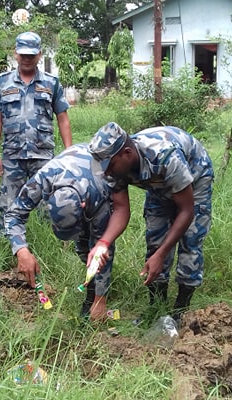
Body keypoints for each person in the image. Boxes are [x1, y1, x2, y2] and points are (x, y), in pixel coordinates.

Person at [88, 122, 213, 322]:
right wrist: (103, 243)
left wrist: (162, 255)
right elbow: (121, 210)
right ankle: (156, 308)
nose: (107, 173)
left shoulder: (165, 155)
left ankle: (181, 310)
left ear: (127, 153)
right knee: (155, 239)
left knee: (190, 240)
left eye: (109, 166)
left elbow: (187, 211)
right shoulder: (115, 166)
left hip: (194, 179)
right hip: (158, 186)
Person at [3, 144, 130, 321]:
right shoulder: (43, 180)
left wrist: (101, 300)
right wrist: (21, 250)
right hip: (70, 169)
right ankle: (91, 286)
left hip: (93, 178)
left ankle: (94, 294)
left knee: (94, 248)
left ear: (83, 207)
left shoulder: (99, 190)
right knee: (83, 250)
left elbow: (103, 248)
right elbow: (13, 214)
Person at [0, 31, 73, 236]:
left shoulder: (51, 83)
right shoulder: (2, 82)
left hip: (43, 154)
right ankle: (9, 246)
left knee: (47, 203)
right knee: (8, 204)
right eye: (23, 54)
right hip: (13, 155)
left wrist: (69, 154)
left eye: (31, 55)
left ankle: (47, 243)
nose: (27, 59)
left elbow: (62, 117)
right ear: (15, 53)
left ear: (39, 55)